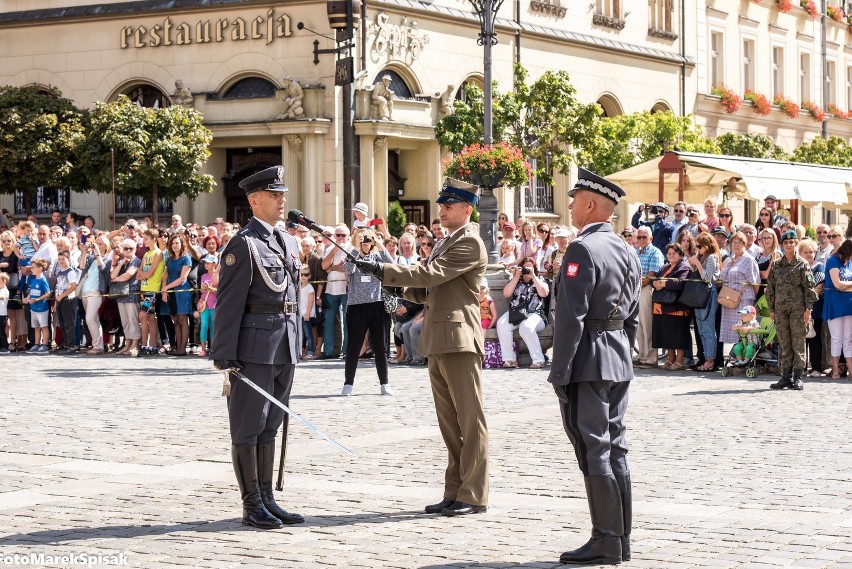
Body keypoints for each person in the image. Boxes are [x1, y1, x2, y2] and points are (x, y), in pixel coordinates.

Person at [356, 177, 488, 517]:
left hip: (459, 337)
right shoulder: (447, 241)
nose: (441, 210)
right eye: (441, 204)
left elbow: (431, 276)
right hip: (440, 335)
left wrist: (384, 270)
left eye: (448, 205)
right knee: (449, 422)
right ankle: (455, 489)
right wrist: (392, 285)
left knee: (469, 420)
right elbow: (429, 288)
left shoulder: (469, 242)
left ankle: (473, 493)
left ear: (467, 208)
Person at [547, 168, 640, 566]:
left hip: (588, 359)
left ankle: (605, 539)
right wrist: (625, 351)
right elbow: (632, 313)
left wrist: (559, 370)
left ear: (590, 204)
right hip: (617, 357)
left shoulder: (582, 249)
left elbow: (571, 317)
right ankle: (621, 539)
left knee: (594, 447)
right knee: (615, 447)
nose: (569, 206)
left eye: (574, 199)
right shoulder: (626, 248)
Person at [211, 165, 304, 530]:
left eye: (283, 194)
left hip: (285, 344)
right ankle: (251, 504)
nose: (282, 200)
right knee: (248, 426)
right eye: (274, 194)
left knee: (271, 425)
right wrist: (224, 353)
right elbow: (229, 301)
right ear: (254, 200)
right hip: (253, 347)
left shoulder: (289, 241)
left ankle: (268, 498)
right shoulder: (243, 243)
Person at [340, 228, 394, 395]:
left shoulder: (377, 256)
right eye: (363, 239)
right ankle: (348, 383)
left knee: (380, 346)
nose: (366, 243)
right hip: (357, 305)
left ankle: (384, 383)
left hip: (376, 304)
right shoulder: (352, 255)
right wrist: (357, 247)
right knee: (354, 346)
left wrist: (377, 241)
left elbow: (390, 262)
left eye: (368, 240)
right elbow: (348, 269)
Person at [765, 229, 817, 389]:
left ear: (796, 243)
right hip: (780, 311)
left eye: (791, 242)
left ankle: (798, 377)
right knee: (784, 343)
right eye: (786, 242)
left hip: (797, 310)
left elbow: (809, 288)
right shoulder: (776, 265)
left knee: (798, 343)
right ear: (782, 245)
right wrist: (771, 310)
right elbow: (770, 288)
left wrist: (808, 309)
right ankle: (785, 376)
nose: (789, 245)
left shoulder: (802, 264)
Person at [495, 257, 550, 369]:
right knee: (501, 324)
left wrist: (533, 276)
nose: (527, 269)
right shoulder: (516, 280)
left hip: (536, 315)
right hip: (517, 313)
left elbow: (544, 293)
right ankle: (509, 359)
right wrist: (516, 276)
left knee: (526, 326)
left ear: (534, 268)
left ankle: (538, 360)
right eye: (525, 267)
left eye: (530, 267)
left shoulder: (540, 279)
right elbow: (506, 294)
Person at [650, 243, 691, 370]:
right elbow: (654, 279)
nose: (671, 256)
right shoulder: (664, 267)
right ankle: (670, 359)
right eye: (669, 253)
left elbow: (680, 283)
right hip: (662, 306)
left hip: (677, 307)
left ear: (680, 254)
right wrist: (655, 283)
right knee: (666, 334)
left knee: (677, 334)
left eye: (674, 253)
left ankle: (679, 361)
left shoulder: (684, 267)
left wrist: (663, 283)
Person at [719, 231, 761, 352]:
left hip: (744, 300)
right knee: (735, 330)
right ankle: (738, 356)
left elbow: (756, 283)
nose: (736, 245)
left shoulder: (749, 260)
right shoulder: (731, 260)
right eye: (734, 242)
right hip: (729, 300)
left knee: (745, 330)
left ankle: (745, 358)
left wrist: (749, 298)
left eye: (740, 242)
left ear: (745, 243)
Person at [688, 233, 722, 371]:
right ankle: (705, 357)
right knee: (701, 329)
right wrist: (694, 264)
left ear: (708, 245)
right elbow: (697, 274)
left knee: (708, 328)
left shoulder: (713, 257)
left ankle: (710, 360)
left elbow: (708, 278)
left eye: (700, 246)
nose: (698, 249)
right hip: (700, 294)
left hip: (709, 293)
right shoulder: (703, 257)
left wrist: (698, 264)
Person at [633, 226, 664, 369]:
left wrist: (637, 283)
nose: (641, 240)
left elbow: (652, 274)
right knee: (638, 324)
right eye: (639, 237)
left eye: (644, 237)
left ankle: (651, 358)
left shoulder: (655, 252)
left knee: (647, 323)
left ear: (650, 238)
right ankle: (642, 355)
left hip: (647, 289)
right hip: (636, 289)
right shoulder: (636, 252)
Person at [318, 224, 351, 359]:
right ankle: (329, 350)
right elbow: (324, 266)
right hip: (332, 289)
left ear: (348, 236)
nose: (340, 238)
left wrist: (333, 268)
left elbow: (348, 267)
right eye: (338, 235)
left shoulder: (351, 248)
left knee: (346, 320)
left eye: (343, 235)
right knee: (329, 320)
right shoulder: (330, 248)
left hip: (347, 288)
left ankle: (346, 350)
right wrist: (334, 251)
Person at [822, 237, 852, 379]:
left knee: (848, 339)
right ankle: (835, 370)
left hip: (848, 305)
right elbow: (837, 284)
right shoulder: (833, 260)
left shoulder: (850, 262)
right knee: (836, 339)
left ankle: (851, 370)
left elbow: (842, 284)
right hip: (834, 304)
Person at [798, 239, 825, 376]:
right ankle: (801, 367)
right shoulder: (798, 266)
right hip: (799, 308)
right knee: (801, 339)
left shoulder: (819, 267)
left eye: (811, 252)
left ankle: (816, 368)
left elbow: (818, 287)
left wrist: (805, 300)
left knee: (815, 338)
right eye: (806, 252)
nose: (809, 254)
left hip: (815, 307)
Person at [110, 238, 141, 356]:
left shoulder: (136, 261)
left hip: (132, 294)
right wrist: (122, 262)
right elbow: (112, 274)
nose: (128, 251)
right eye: (126, 248)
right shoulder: (121, 261)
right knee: (125, 321)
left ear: (135, 249)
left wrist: (115, 279)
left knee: (133, 320)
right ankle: (127, 343)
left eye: (131, 248)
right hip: (121, 295)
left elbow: (128, 275)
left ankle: (134, 344)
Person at [162, 234, 192, 356]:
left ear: (182, 244)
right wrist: (164, 291)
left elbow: (182, 278)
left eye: (177, 243)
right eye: (173, 243)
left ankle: (183, 348)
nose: (175, 245)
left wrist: (166, 288)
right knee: (175, 320)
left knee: (182, 319)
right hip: (171, 292)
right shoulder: (169, 259)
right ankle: (178, 347)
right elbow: (165, 276)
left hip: (182, 291)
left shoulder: (186, 258)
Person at [136, 229, 165, 356]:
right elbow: (138, 275)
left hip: (152, 290)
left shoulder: (158, 253)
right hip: (144, 289)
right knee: (150, 318)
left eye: (146, 238)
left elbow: (150, 272)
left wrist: (144, 275)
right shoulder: (146, 254)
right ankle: (152, 347)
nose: (144, 241)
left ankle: (144, 345)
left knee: (142, 316)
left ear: (153, 239)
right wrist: (143, 275)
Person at [52, 251, 79, 354]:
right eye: (59, 259)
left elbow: (73, 287)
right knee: (62, 324)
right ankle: (65, 344)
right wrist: (56, 302)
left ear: (69, 260)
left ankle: (71, 346)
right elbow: (58, 288)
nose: (61, 261)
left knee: (69, 323)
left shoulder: (70, 272)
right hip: (60, 301)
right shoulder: (60, 273)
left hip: (68, 300)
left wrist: (62, 296)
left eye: (63, 259)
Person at [25, 258, 52, 354]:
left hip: (42, 308)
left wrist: (38, 299)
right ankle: (36, 344)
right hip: (33, 308)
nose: (31, 269)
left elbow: (48, 293)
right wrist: (28, 298)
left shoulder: (43, 280)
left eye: (33, 267)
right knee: (36, 327)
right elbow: (31, 291)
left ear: (40, 268)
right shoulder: (33, 279)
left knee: (44, 327)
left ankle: (45, 345)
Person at [197, 254, 219, 358]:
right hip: (204, 304)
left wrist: (211, 288)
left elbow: (220, 290)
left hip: (214, 304)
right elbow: (201, 290)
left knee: (213, 326)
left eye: (208, 262)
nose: (206, 264)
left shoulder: (218, 275)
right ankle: (203, 349)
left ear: (214, 264)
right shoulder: (203, 276)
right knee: (204, 325)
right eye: (205, 262)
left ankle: (213, 348)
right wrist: (204, 288)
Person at [756, 229, 780, 301]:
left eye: (769, 238)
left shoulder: (776, 254)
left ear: (774, 239)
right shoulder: (759, 254)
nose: (766, 240)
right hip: (758, 289)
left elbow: (767, 274)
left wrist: (755, 273)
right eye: (764, 238)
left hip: (770, 290)